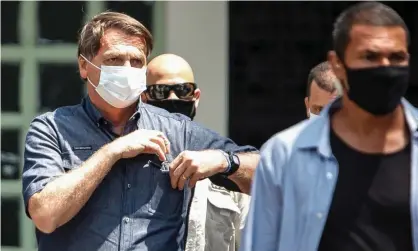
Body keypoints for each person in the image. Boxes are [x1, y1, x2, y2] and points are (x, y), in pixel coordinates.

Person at [22, 12, 259, 251]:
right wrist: (113, 151)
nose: (127, 69)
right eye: (114, 60)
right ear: (84, 66)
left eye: (136, 61)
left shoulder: (177, 130)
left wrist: (224, 160)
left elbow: (268, 174)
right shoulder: (52, 128)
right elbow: (45, 215)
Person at [240, 2, 417, 251]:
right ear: (337, 64)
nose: (385, 68)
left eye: (396, 57)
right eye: (370, 57)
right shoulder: (285, 155)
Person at [144, 54, 250, 251]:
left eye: (183, 90)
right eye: (161, 91)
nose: (173, 98)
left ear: (196, 97)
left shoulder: (221, 160)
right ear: (144, 98)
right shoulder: (130, 161)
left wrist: (223, 161)